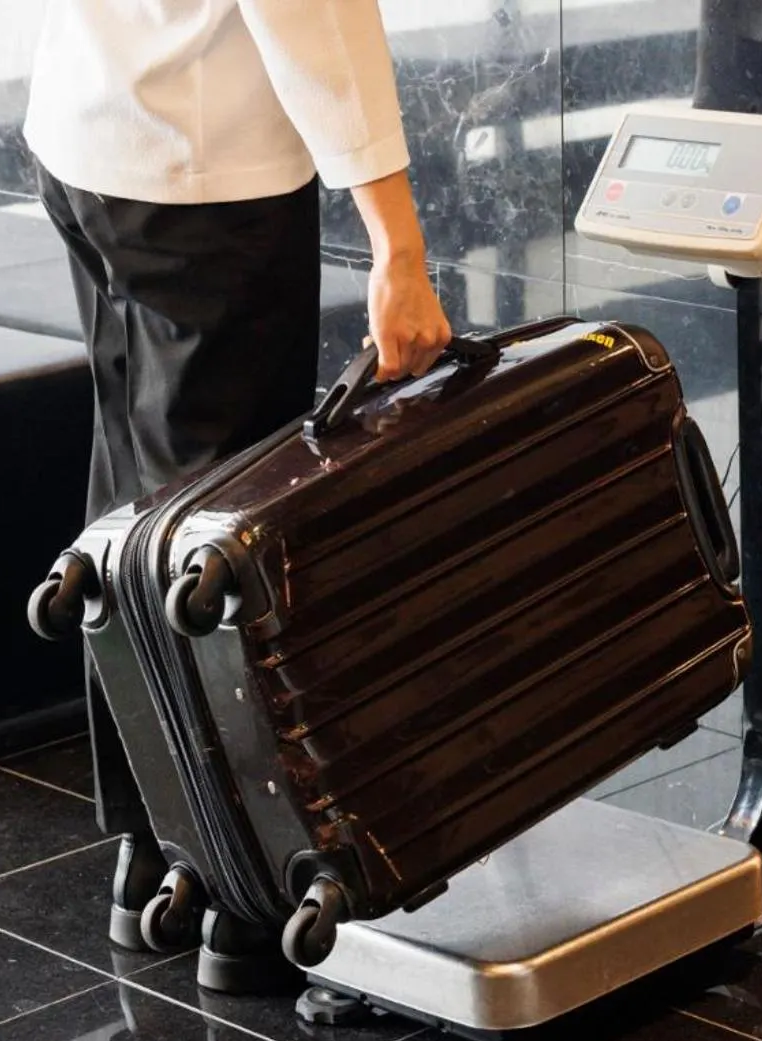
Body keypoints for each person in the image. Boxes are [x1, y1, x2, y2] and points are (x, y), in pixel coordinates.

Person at [23, 0, 452, 990]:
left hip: (87, 132)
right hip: (201, 174)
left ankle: (149, 853)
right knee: (215, 546)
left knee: (131, 510)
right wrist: (397, 241)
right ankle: (245, 903)